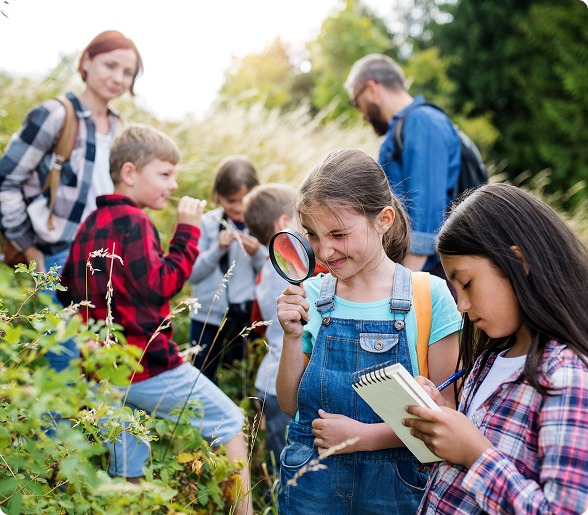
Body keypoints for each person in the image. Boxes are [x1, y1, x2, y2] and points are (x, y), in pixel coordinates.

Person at [58, 125, 253, 514]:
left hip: (106, 373)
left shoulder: (91, 223)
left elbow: (64, 290)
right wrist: (187, 232)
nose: (173, 183)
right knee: (231, 422)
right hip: (150, 367)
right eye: (164, 174)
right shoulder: (136, 222)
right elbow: (160, 286)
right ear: (129, 173)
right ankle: (245, 511)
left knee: (129, 465)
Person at [276, 149, 462, 514]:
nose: (325, 250)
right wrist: (292, 337)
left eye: (339, 234)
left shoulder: (429, 295)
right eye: (313, 235)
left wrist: (364, 437)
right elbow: (289, 405)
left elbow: (448, 411)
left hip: (396, 489)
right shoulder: (311, 295)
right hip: (311, 485)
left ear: (383, 220)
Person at [403, 183, 588, 514]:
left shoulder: (567, 377)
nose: (460, 305)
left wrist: (475, 453)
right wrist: (441, 421)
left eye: (467, 283)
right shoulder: (488, 362)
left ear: (519, 262)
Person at [0, 30, 143, 371]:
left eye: (128, 72)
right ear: (86, 61)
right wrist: (30, 248)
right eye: (111, 65)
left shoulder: (121, 127)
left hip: (102, 260)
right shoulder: (55, 114)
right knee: (60, 359)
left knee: (95, 363)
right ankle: (51, 425)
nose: (118, 78)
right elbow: (6, 180)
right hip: (58, 255)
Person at [345, 53, 461, 279]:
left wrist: (401, 289)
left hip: (429, 275)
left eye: (357, 103)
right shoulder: (403, 128)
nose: (362, 116)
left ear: (371, 88)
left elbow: (425, 222)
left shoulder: (422, 121)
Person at [189, 156, 266, 382]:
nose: (239, 208)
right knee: (200, 377)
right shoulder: (206, 224)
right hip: (206, 317)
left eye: (245, 200)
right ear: (218, 197)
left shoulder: (262, 225)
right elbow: (192, 274)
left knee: (244, 379)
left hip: (247, 317)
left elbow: (273, 274)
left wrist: (258, 254)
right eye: (231, 201)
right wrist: (217, 250)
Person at [242, 183, 301, 474]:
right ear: (283, 224)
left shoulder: (267, 266)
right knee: (286, 463)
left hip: (269, 376)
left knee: (277, 452)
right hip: (281, 384)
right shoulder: (289, 270)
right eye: (301, 219)